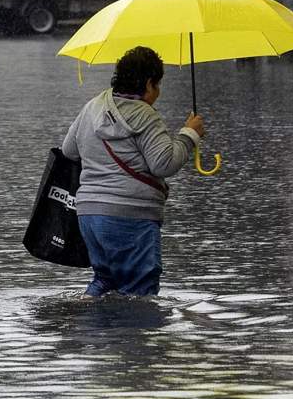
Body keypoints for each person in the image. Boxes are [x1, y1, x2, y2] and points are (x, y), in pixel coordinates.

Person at [61, 46, 206, 297]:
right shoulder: (145, 115)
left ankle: (87, 327)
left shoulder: (93, 107)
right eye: (158, 85)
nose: (157, 92)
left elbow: (69, 150)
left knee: (104, 281)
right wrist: (189, 134)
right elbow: (164, 164)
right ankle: (133, 335)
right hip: (130, 216)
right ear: (149, 84)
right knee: (141, 290)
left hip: (89, 215)